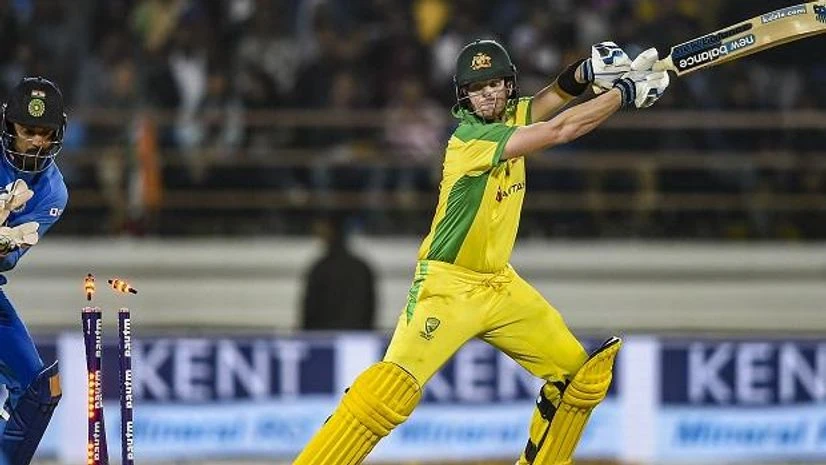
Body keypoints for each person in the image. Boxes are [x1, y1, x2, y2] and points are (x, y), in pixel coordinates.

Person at [293, 39, 669, 465]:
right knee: (386, 394)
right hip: (447, 288)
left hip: (500, 285)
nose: (488, 94)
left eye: (495, 84)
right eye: (477, 87)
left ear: (508, 85)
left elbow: (553, 98)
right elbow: (560, 129)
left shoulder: (512, 115)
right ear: (464, 96)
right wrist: (624, 93)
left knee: (580, 380)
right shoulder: (470, 139)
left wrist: (585, 73)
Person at [0, 77, 69, 465]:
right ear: (8, 125)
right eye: (28, 131)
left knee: (39, 391)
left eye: (46, 133)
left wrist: (4, 246)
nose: (37, 142)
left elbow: (9, 260)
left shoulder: (53, 191)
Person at [301, 215, 376, 330]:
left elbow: (310, 310)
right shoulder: (362, 267)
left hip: (324, 336)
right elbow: (370, 309)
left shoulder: (320, 268)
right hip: (356, 335)